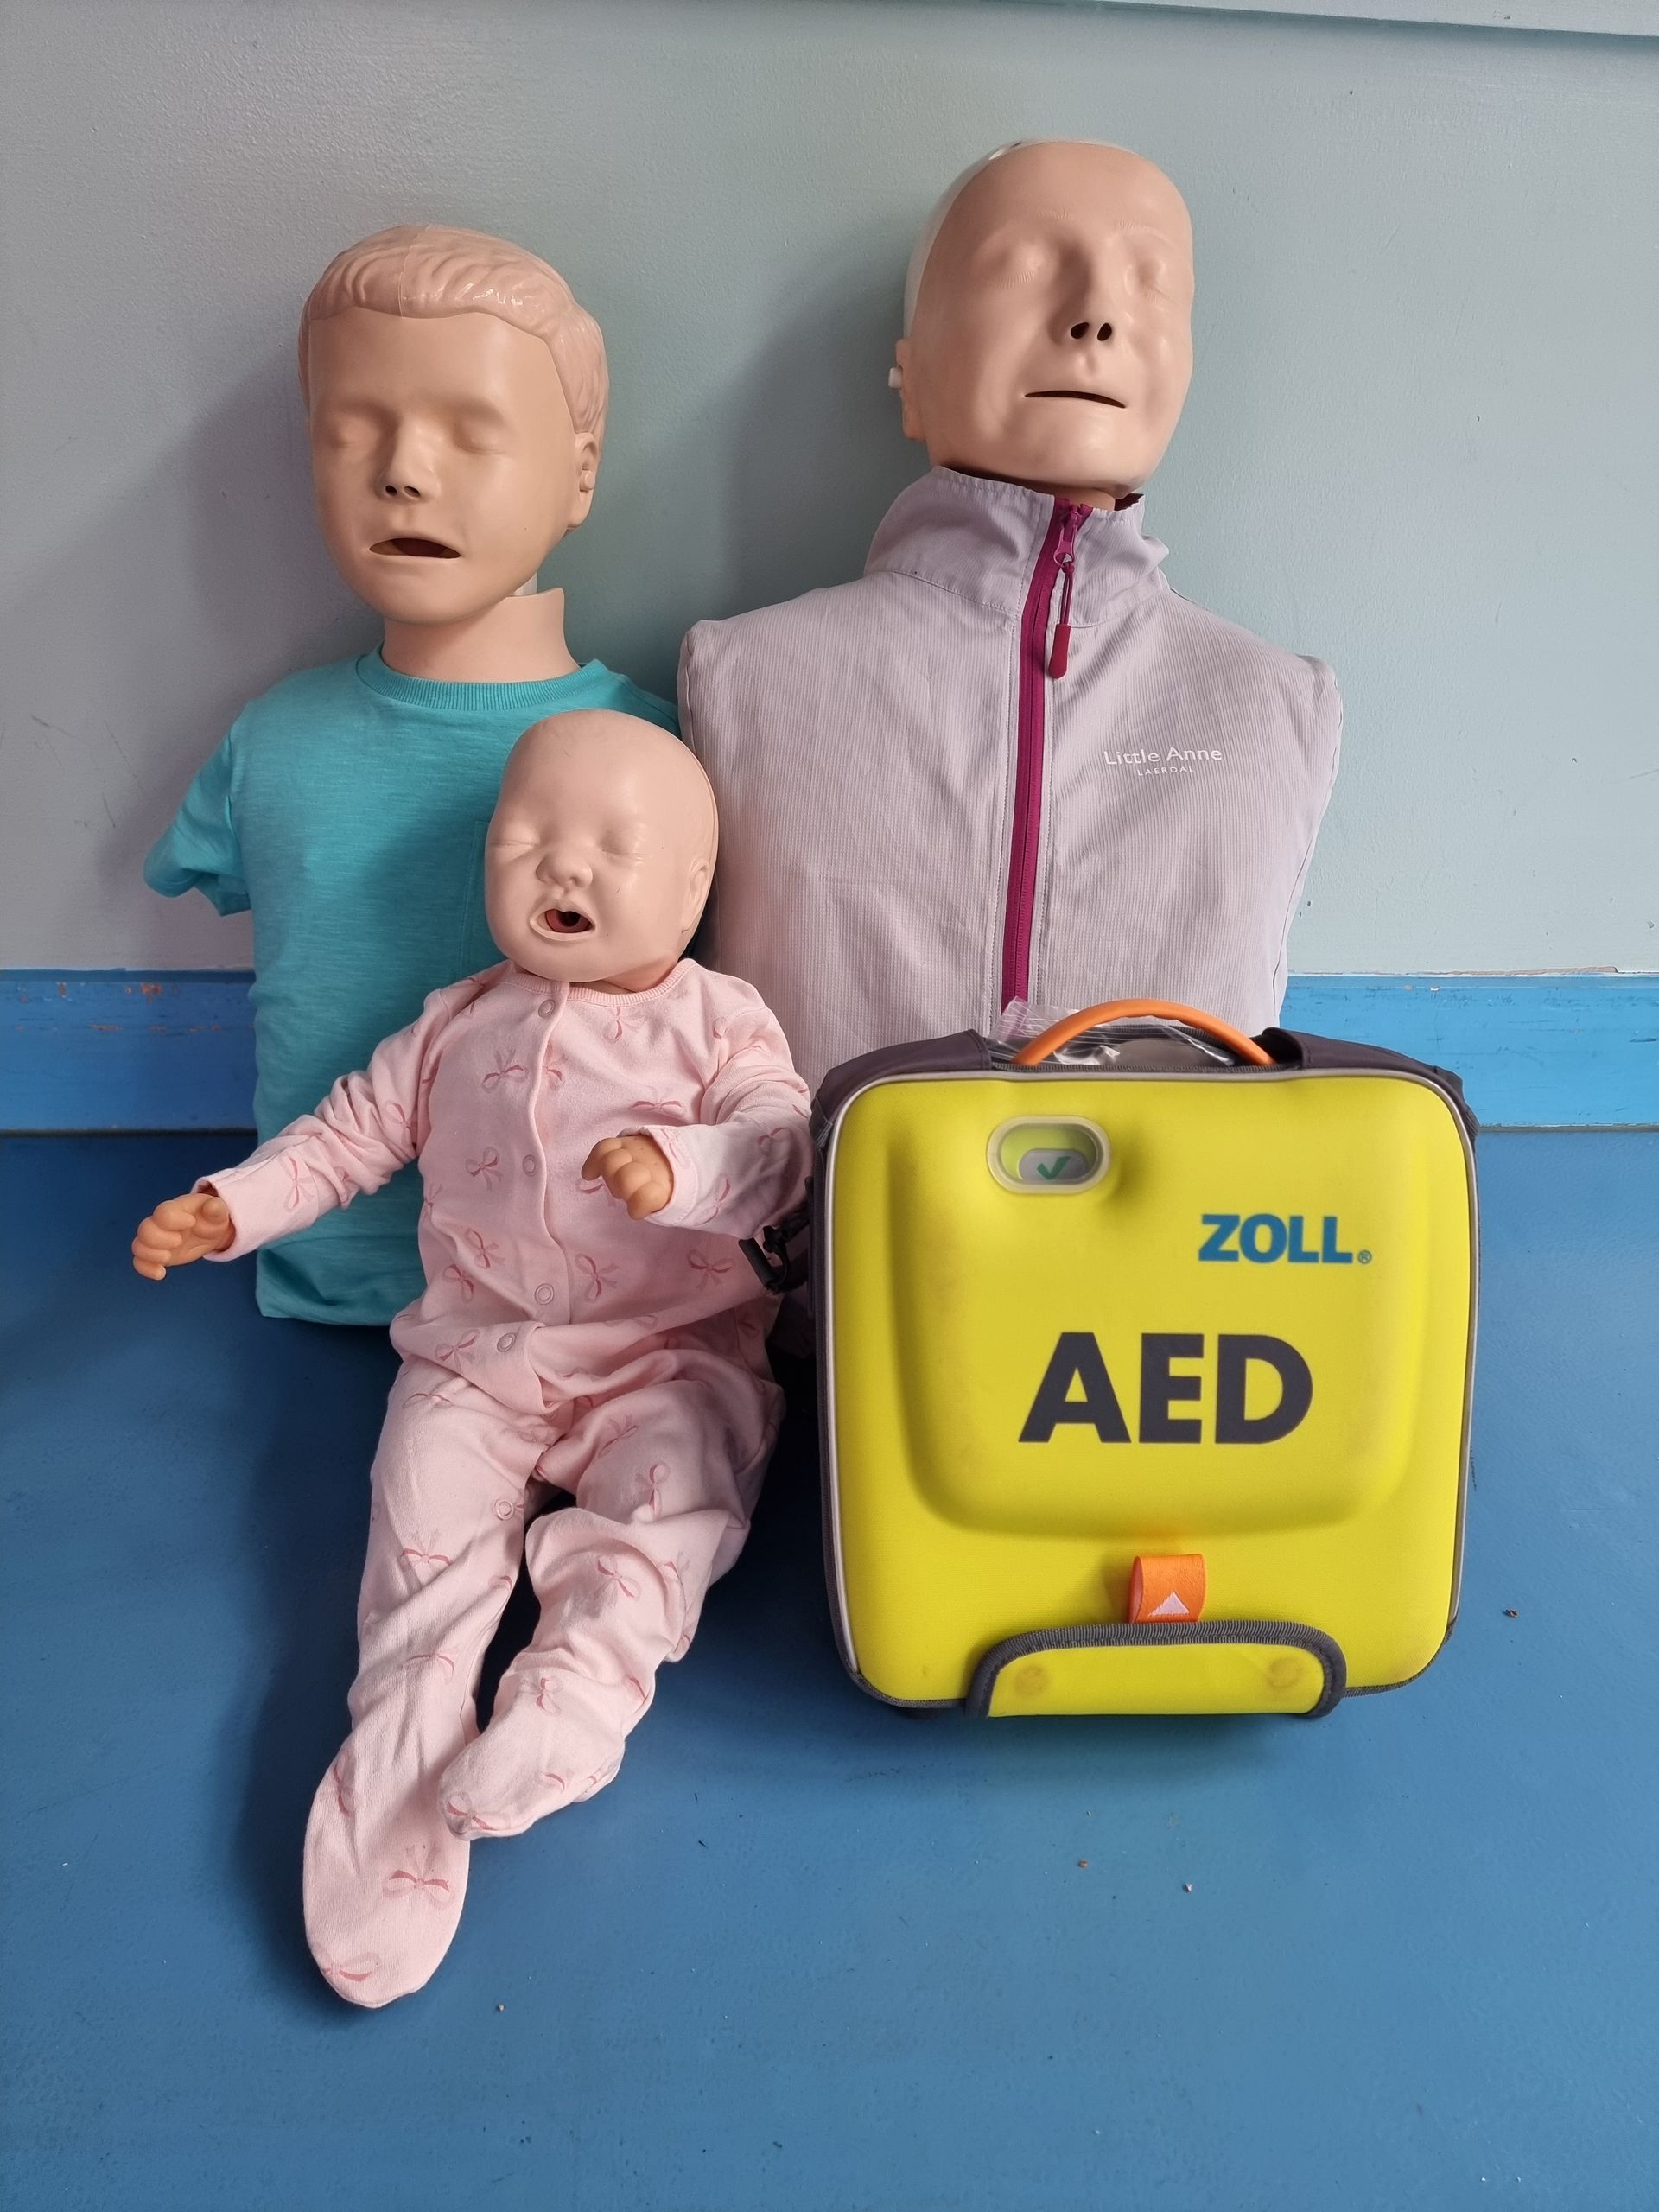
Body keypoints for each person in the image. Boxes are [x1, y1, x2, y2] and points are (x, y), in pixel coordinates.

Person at [131, 711, 811, 2006]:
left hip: (670, 1354)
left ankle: (574, 1698)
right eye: (526, 838)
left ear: (690, 893)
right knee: (419, 1552)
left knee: (668, 1509)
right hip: (475, 1357)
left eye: (613, 847)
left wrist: (684, 1169)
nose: (563, 865)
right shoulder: (456, 1023)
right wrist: (234, 1206)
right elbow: (345, 1137)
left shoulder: (720, 1023)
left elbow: (782, 1148)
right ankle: (397, 1768)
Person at [679, 141, 1342, 1090]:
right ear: (909, 375)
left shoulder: (1274, 704)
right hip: (825, 1193)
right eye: (1022, 268)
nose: (1096, 315)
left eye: (1150, 283)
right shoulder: (746, 674)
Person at [146, 226, 676, 1325]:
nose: (402, 471)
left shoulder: (660, 757)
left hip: (593, 1299)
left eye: (472, 434)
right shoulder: (272, 741)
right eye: (352, 431)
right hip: (321, 1265)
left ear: (581, 471)